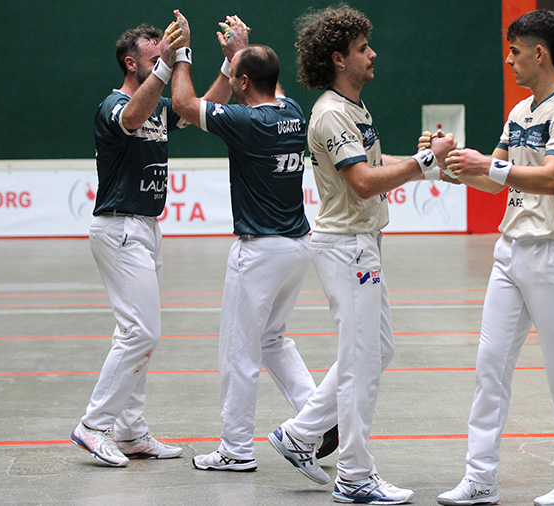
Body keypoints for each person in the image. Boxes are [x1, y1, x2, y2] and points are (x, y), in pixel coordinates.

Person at [263, 5, 455, 505]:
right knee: (360, 361)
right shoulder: (331, 113)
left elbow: (372, 161)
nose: (373, 54)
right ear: (338, 58)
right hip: (347, 248)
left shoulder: (353, 109)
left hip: (361, 243)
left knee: (376, 349)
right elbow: (364, 183)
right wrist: (424, 162)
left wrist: (429, 166)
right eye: (362, 48)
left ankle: (301, 434)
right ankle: (354, 475)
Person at [436, 9, 554, 506]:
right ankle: (479, 478)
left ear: (539, 53)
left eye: (515, 51)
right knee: (490, 366)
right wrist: (453, 165)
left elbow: (552, 178)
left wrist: (490, 166)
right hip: (510, 252)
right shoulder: (519, 113)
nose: (509, 60)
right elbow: (495, 179)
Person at [168, 11, 336, 473]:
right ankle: (319, 421)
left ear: (242, 83)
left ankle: (236, 448)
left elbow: (183, 104)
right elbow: (263, 82)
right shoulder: (292, 112)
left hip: (259, 251)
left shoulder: (245, 122)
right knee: (272, 340)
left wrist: (182, 54)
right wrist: (238, 54)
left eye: (236, 76)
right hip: (297, 248)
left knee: (238, 352)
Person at [70, 15, 230, 467]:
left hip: (146, 228)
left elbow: (201, 108)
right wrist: (167, 65)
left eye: (166, 53)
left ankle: (131, 432)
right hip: (119, 228)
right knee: (142, 332)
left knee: (134, 333)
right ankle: (93, 425)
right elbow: (131, 117)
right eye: (154, 56)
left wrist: (221, 64)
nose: (164, 60)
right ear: (131, 62)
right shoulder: (114, 104)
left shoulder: (159, 105)